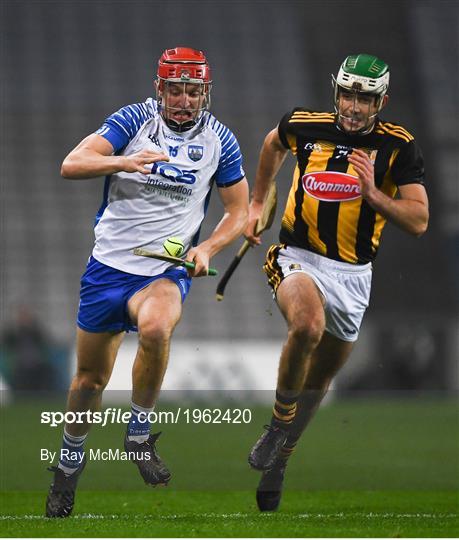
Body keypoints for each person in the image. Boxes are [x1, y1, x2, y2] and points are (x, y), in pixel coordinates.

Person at [45, 47, 249, 518]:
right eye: (174, 89)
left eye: (192, 91)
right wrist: (124, 162)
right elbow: (71, 164)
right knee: (88, 381)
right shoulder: (133, 120)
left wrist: (206, 249)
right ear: (160, 89)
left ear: (205, 93)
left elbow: (240, 211)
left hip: (164, 269)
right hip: (108, 269)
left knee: (157, 328)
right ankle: (67, 469)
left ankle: (138, 437)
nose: (183, 99)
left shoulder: (221, 140)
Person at [245, 54, 429, 512]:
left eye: (364, 99)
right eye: (347, 95)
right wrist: (257, 203)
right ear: (336, 93)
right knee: (306, 325)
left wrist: (373, 196)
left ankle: (281, 459)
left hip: (353, 275)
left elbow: (420, 220)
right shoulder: (304, 125)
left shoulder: (398, 146)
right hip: (296, 255)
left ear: (381, 101)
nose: (352, 106)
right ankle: (276, 424)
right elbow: (272, 144)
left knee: (320, 382)